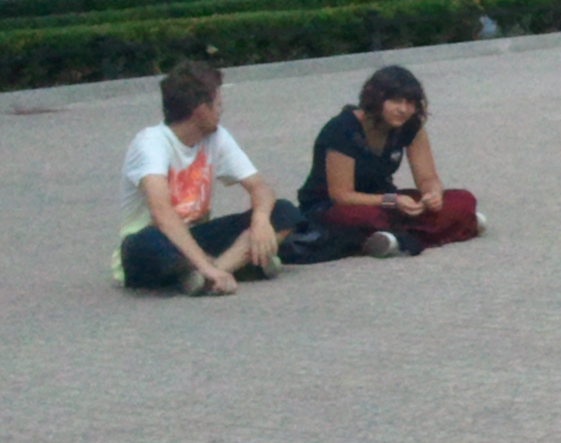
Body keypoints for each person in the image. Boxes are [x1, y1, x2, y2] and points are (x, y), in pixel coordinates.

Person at [115, 61, 300, 293]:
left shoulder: (216, 137)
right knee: (146, 243)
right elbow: (161, 213)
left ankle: (211, 274)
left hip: (196, 236)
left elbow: (259, 187)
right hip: (156, 241)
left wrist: (261, 220)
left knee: (283, 212)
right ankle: (227, 266)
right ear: (201, 111)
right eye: (218, 105)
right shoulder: (151, 143)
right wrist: (206, 264)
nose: (221, 111)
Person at [291, 65, 482, 259]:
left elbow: (427, 177)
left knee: (463, 200)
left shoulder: (411, 127)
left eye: (410, 103)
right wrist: (392, 201)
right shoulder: (343, 129)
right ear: (376, 100)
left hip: (386, 201)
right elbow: (341, 195)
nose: (403, 110)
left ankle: (390, 239)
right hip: (332, 206)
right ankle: (442, 229)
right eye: (395, 101)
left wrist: (433, 194)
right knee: (368, 218)